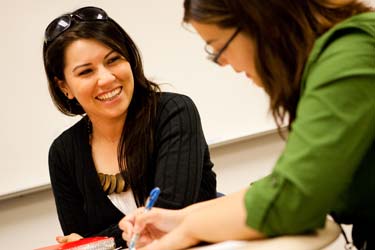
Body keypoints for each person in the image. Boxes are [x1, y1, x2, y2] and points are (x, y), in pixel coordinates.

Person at [119, 0, 375, 249]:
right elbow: (283, 184)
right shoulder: (343, 52)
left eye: (219, 48)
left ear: (260, 20)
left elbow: (292, 199)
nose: (225, 63)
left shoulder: (350, 53)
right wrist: (179, 219)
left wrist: (189, 230)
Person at [43, 6, 217, 248]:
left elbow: (168, 214)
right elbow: (80, 243)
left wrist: (103, 240)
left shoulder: (174, 111)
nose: (106, 78)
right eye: (86, 72)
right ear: (65, 87)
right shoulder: (63, 152)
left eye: (113, 60)